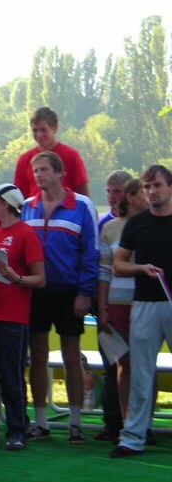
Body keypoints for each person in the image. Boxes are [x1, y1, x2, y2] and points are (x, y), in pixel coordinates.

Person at [20, 151, 98, 444]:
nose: (39, 175)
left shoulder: (82, 205)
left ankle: (75, 422)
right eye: (35, 171)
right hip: (36, 292)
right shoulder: (27, 208)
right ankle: (41, 422)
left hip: (69, 292)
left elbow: (90, 253)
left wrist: (84, 292)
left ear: (59, 173)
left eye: (44, 170)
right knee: (37, 356)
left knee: (71, 356)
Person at [0, 183, 45, 450]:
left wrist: (18, 279)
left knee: (11, 376)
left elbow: (40, 277)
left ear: (6, 204)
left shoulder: (26, 234)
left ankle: (16, 431)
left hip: (11, 317)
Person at [110, 165, 172, 458]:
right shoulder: (136, 224)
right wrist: (140, 269)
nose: (152, 191)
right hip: (145, 306)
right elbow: (118, 265)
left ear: (169, 187)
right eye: (147, 187)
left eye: (157, 185)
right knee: (141, 375)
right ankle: (133, 437)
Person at [97, 178, 148, 441]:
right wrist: (102, 306)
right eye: (143, 191)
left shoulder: (153, 224)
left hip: (145, 303)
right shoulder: (110, 228)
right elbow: (105, 270)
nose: (148, 195)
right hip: (116, 304)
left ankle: (143, 424)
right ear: (131, 196)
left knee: (143, 364)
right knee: (123, 365)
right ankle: (127, 423)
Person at [93, 170, 132, 442]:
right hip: (109, 304)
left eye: (117, 191)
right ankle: (112, 422)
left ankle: (136, 423)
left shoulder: (139, 223)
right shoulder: (104, 225)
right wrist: (100, 303)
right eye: (108, 191)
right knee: (111, 365)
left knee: (135, 365)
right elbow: (100, 268)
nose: (112, 196)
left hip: (137, 304)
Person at [14, 107, 89, 197]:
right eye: (35, 130)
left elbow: (83, 193)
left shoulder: (71, 155)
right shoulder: (24, 160)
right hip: (36, 210)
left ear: (55, 128)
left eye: (43, 130)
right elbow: (20, 197)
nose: (39, 135)